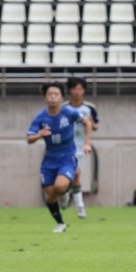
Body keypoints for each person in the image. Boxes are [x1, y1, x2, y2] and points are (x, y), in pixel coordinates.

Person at [27, 81, 92, 233]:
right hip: (49, 160)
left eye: (56, 94)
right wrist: (39, 135)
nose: (52, 97)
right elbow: (29, 139)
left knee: (60, 186)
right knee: (50, 195)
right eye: (49, 94)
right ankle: (60, 223)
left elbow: (87, 123)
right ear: (45, 97)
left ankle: (65, 193)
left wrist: (87, 143)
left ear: (62, 98)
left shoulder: (69, 112)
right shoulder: (40, 117)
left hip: (67, 157)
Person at [61, 77, 99, 219]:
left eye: (80, 89)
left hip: (81, 147)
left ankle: (77, 205)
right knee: (73, 174)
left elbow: (95, 126)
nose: (77, 92)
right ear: (70, 90)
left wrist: (91, 124)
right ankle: (77, 204)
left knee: (76, 175)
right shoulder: (64, 108)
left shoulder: (89, 108)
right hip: (65, 146)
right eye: (74, 89)